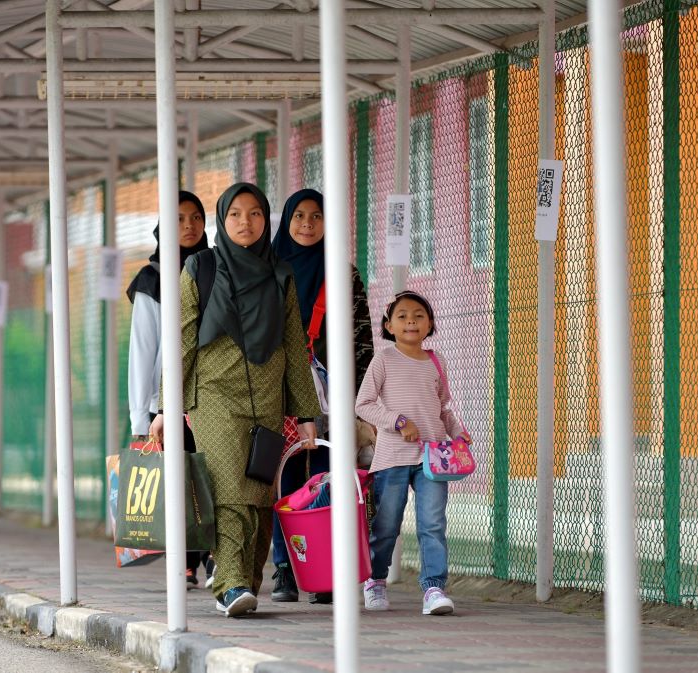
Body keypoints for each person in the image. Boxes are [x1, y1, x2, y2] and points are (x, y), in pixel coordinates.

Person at [148, 182, 321, 618]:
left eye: (255, 214)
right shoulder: (200, 270)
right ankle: (230, 582)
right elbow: (182, 341)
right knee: (229, 489)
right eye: (236, 215)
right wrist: (168, 407)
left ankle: (247, 581)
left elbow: (294, 347)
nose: (246, 222)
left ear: (266, 220)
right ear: (223, 221)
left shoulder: (279, 274)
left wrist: (305, 413)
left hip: (266, 399)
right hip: (213, 398)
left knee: (260, 496)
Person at [269, 188, 374, 605]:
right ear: (287, 222)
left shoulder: (343, 273)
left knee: (331, 476)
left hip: (335, 389)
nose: (308, 225)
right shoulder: (271, 269)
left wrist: (360, 397)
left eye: (317, 216)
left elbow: (362, 335)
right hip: (282, 388)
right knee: (288, 475)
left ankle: (327, 569)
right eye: (299, 217)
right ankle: (285, 569)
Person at [354, 291, 470, 616]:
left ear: (430, 324)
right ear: (389, 325)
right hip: (392, 458)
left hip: (432, 459)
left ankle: (433, 588)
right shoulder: (384, 360)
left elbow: (444, 408)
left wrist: (458, 435)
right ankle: (375, 580)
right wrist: (397, 421)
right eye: (402, 316)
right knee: (387, 525)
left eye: (419, 315)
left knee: (432, 524)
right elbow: (362, 404)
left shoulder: (436, 361)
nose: (411, 321)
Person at [126, 190, 213, 589]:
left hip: (212, 390)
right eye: (178, 219)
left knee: (211, 475)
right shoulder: (153, 279)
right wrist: (139, 414)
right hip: (167, 400)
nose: (190, 225)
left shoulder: (217, 268)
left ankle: (210, 553)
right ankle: (186, 558)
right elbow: (143, 348)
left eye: (196, 217)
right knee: (181, 478)